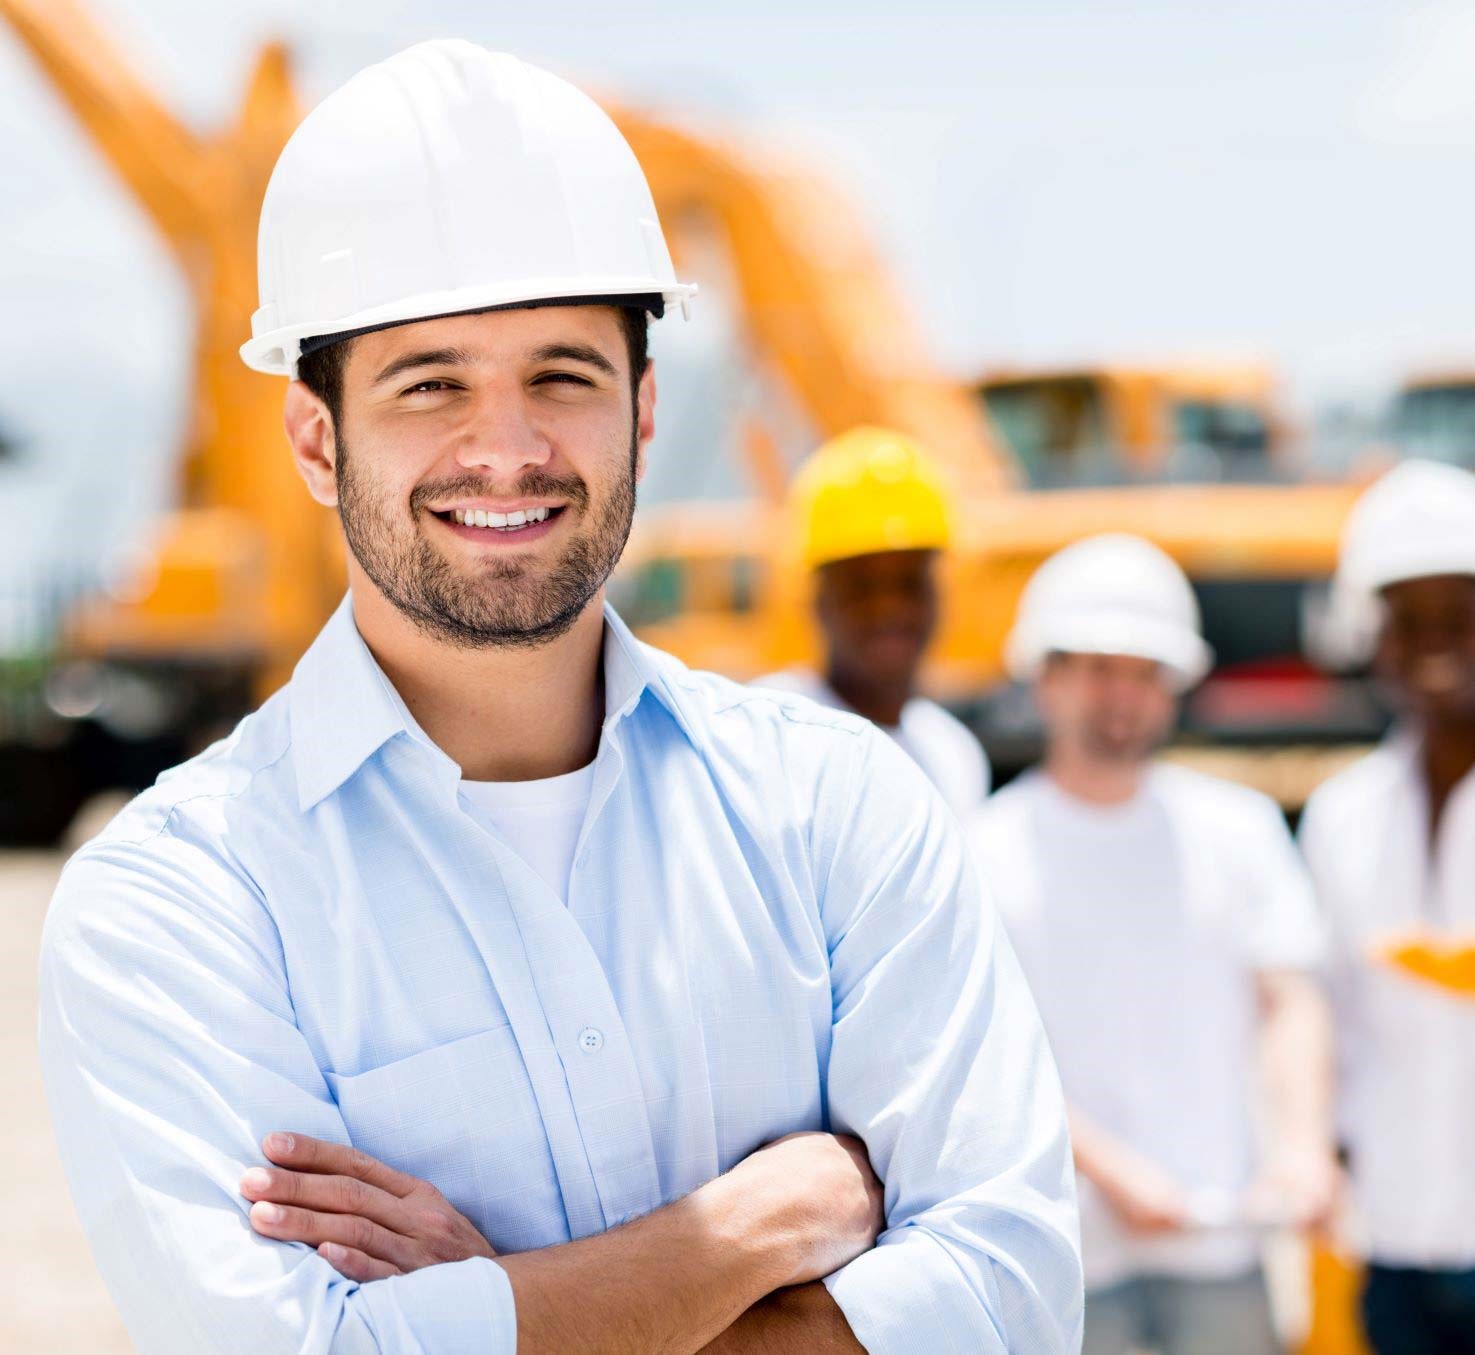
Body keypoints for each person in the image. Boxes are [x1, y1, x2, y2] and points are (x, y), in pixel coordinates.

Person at [37, 41, 1081, 1355]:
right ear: (315, 437)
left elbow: (1011, 1300)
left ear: (643, 409)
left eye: (561, 375)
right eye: (430, 383)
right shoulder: (180, 899)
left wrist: (503, 1299)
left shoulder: (838, 810)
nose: (504, 447)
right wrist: (758, 1227)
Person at [970, 533, 1337, 1355]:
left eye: (1143, 672)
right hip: (1063, 1256)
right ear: (1046, 675)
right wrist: (1109, 1169)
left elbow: (1289, 1001)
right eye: (1099, 667)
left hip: (1222, 1240)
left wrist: (1303, 1144)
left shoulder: (1235, 831)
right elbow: (985, 1055)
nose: (1122, 695)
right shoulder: (981, 852)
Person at [1299, 459, 1475, 1355]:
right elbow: (1322, 1018)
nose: (1436, 642)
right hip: (1391, 1235)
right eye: (1410, 620)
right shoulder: (1344, 816)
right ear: (1375, 638)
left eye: (1458, 615)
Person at [755, 426, 990, 818]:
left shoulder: (952, 754)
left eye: (908, 580)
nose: (889, 608)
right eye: (861, 584)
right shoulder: (769, 736)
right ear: (814, 596)